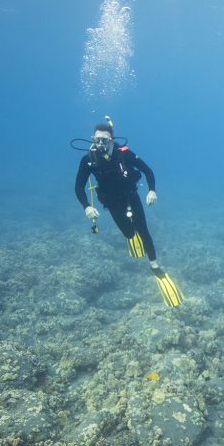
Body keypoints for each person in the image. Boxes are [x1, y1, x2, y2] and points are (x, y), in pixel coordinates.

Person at [74, 118, 183, 307]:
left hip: (130, 196)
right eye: (97, 140)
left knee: (143, 229)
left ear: (111, 139)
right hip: (112, 203)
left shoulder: (124, 154)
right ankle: (131, 235)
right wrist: (87, 207)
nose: (101, 144)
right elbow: (78, 187)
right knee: (128, 233)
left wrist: (152, 190)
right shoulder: (88, 160)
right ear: (93, 139)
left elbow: (148, 171)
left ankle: (154, 265)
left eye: (105, 140)